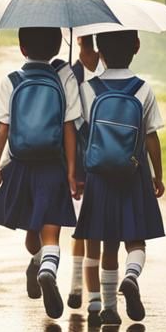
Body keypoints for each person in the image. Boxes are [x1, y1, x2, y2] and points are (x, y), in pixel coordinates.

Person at [0, 27, 82, 320]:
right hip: (53, 165)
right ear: (56, 47)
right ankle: (47, 270)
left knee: (31, 232)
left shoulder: (12, 81)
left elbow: (3, 129)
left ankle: (38, 262)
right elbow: (69, 129)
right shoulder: (63, 80)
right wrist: (72, 172)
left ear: (22, 47)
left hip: (21, 166)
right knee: (52, 232)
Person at [73, 29, 165, 327]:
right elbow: (150, 137)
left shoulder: (89, 88)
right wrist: (157, 175)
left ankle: (109, 307)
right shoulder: (143, 89)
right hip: (133, 173)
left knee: (108, 244)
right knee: (136, 241)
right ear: (136, 47)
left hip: (99, 175)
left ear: (99, 51)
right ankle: (132, 276)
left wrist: (75, 172)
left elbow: (80, 133)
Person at [54, 34, 102, 313]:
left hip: (97, 158)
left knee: (89, 224)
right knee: (82, 223)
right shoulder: (69, 74)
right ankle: (76, 285)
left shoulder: (104, 74)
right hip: (77, 159)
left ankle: (82, 287)